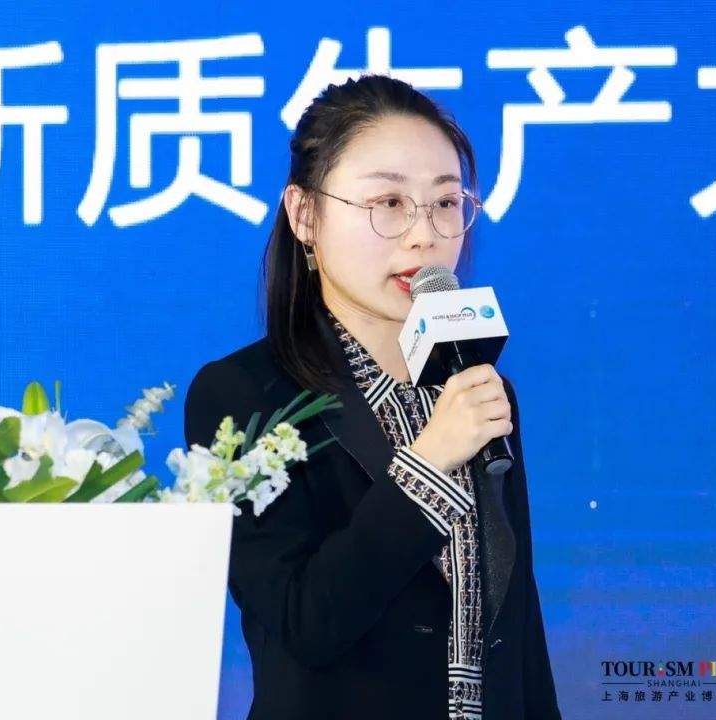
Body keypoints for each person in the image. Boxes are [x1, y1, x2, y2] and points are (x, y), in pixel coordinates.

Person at [184, 74, 561, 720]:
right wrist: (429, 462)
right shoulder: (242, 395)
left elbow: (520, 634)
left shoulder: (477, 387)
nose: (425, 235)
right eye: (389, 202)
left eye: (446, 203)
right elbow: (306, 623)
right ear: (305, 215)